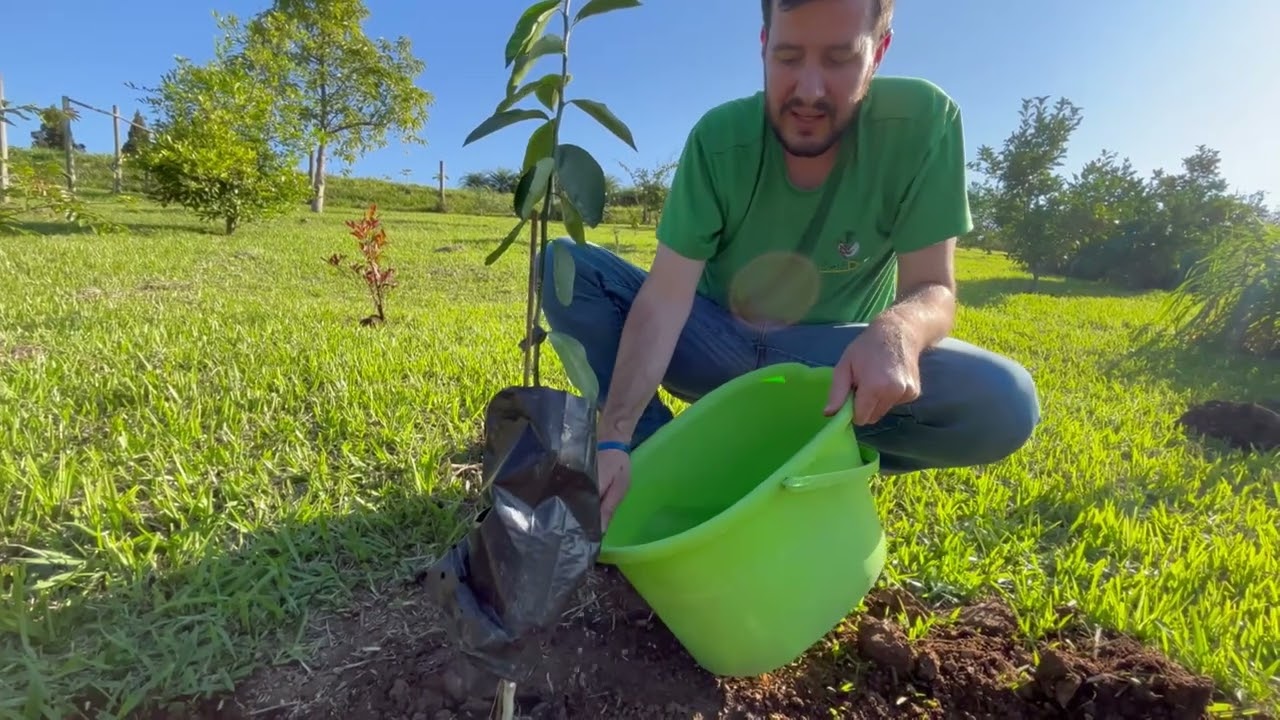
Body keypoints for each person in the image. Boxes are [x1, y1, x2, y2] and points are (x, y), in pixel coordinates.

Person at [541, 0, 1041, 528]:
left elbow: (933, 288)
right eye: (787, 57)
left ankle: (803, 456)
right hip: (716, 345)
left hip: (832, 369)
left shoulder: (924, 125)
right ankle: (658, 456)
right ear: (763, 46)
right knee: (566, 268)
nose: (808, 91)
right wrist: (616, 432)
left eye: (839, 58)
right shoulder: (718, 140)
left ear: (880, 51)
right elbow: (667, 296)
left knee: (1005, 402)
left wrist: (899, 330)